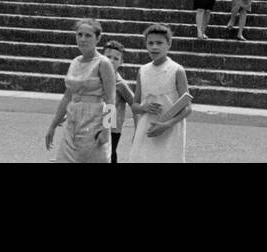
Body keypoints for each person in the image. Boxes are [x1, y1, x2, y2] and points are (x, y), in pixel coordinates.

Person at [45, 17, 117, 162]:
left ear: (98, 38)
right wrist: (53, 125)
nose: (82, 39)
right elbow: (67, 96)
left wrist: (107, 130)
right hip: (73, 120)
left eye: (88, 35)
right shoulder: (75, 62)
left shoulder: (103, 63)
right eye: (79, 35)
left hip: (93, 120)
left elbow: (110, 98)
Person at [127, 23, 191, 163]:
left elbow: (187, 108)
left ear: (169, 44)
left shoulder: (177, 70)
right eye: (150, 43)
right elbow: (135, 105)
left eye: (159, 43)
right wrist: (143, 107)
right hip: (147, 128)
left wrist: (167, 125)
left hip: (170, 130)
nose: (154, 47)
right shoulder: (142, 71)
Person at [102, 39, 138, 163]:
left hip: (112, 128)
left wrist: (138, 127)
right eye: (108, 57)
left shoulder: (120, 84)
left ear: (121, 62)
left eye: (116, 59)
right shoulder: (96, 77)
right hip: (94, 123)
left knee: (109, 155)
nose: (111, 60)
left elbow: (135, 103)